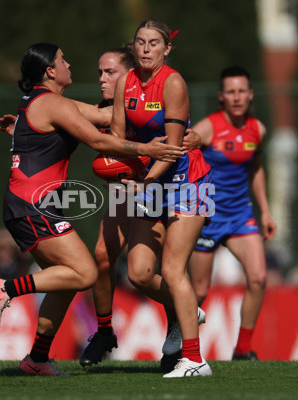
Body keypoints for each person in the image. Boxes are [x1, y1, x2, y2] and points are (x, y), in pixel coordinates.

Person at [0, 42, 183, 377]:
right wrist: (146, 147)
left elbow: (106, 116)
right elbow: (99, 140)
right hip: (33, 205)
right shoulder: (52, 103)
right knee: (87, 272)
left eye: (110, 72)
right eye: (63, 60)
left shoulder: (48, 102)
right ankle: (7, 288)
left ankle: (37, 359)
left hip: (33, 204)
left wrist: (160, 105)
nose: (69, 64)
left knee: (68, 280)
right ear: (50, 71)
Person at [110, 19, 213, 378]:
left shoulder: (173, 82)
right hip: (148, 182)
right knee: (138, 273)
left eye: (154, 43)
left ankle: (195, 359)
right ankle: (187, 309)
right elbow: (120, 138)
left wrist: (143, 181)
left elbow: (171, 148)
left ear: (167, 49)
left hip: (187, 180)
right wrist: (123, 172)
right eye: (140, 42)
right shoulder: (126, 82)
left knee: (172, 270)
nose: (146, 49)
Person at [187, 66, 277, 361]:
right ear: (221, 97)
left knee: (259, 278)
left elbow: (256, 168)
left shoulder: (257, 129)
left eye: (242, 91)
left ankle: (242, 349)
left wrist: (264, 211)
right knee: (198, 292)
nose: (237, 97)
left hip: (240, 215)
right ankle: (178, 345)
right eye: (231, 92)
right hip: (208, 218)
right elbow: (180, 153)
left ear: (250, 95)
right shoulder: (209, 127)